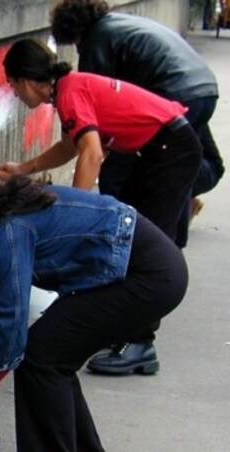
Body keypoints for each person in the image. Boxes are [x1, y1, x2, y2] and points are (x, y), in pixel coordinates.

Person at [0, 151, 187, 451]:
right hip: (146, 268)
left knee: (42, 356)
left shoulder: (5, 229)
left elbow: (11, 327)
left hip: (150, 272)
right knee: (50, 356)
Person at [50, 0, 224, 374]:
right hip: (199, 89)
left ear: (75, 34)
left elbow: (95, 138)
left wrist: (96, 218)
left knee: (138, 213)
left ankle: (141, 339)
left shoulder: (96, 43)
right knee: (198, 166)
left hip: (171, 106)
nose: (79, 54)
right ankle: (172, 225)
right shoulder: (120, 24)